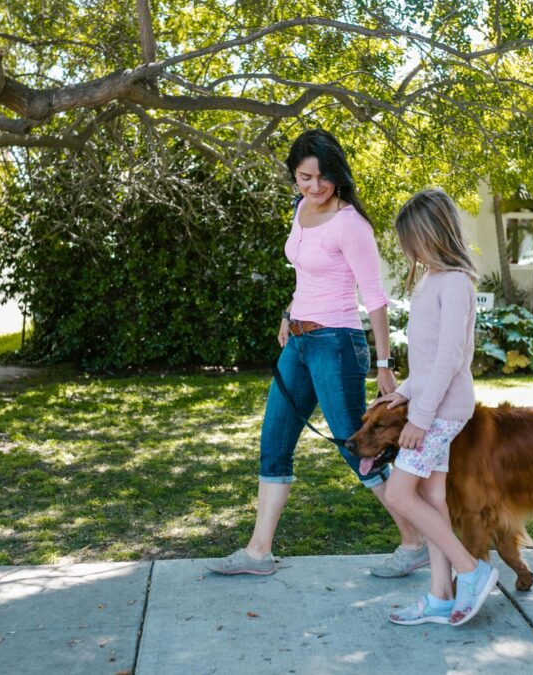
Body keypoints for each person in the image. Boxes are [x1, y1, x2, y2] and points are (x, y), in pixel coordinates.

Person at [206, 129, 426, 577]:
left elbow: (376, 297)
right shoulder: (300, 210)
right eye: (305, 177)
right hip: (300, 341)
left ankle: (415, 539)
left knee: (356, 446)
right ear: (294, 176)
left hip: (337, 343)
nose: (315, 186)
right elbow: (306, 275)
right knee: (274, 443)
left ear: (338, 175)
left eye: (323, 177)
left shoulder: (351, 224)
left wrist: (384, 366)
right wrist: (289, 312)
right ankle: (257, 552)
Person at [373, 188, 499, 626]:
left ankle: (471, 569)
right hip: (431, 403)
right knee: (430, 498)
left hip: (443, 412)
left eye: (414, 243)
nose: (410, 252)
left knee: (398, 492)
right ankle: (440, 596)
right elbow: (428, 360)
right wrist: (403, 392)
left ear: (434, 234)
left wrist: (420, 420)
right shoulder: (431, 280)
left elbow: (450, 359)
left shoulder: (456, 283)